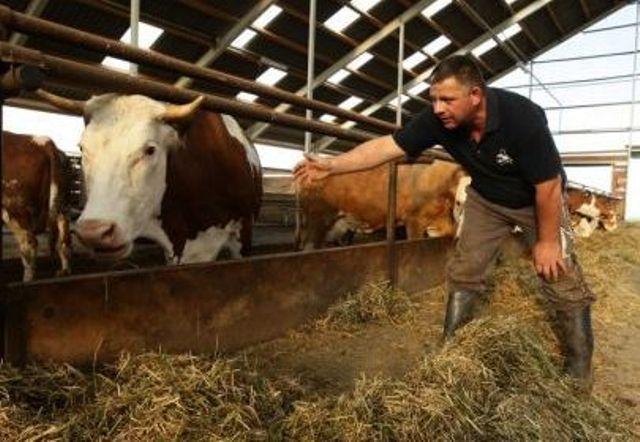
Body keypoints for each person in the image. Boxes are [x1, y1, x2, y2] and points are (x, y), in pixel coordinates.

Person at [294, 54, 595, 384]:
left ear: (475, 95)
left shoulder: (522, 118)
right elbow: (387, 147)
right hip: (487, 199)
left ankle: (579, 369)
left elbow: (548, 186)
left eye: (447, 99)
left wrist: (548, 242)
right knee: (465, 269)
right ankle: (450, 349)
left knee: (559, 271)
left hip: (536, 200)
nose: (438, 108)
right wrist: (333, 165)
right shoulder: (438, 120)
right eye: (434, 99)